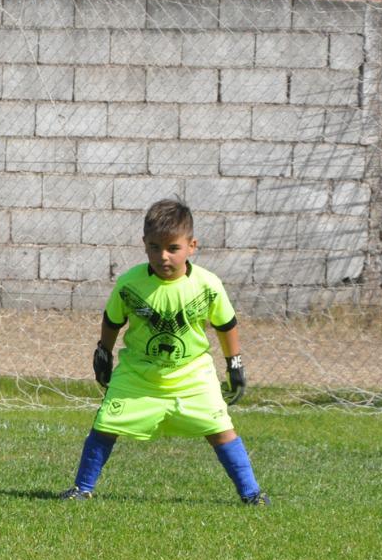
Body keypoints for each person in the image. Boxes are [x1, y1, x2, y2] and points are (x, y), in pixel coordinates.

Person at [60, 198, 268, 505]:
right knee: (105, 425)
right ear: (144, 244)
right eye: (155, 247)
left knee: (220, 429)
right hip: (139, 373)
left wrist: (234, 364)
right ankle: (82, 488)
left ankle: (252, 494)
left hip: (192, 374)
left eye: (173, 248)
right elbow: (112, 320)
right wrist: (102, 353)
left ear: (191, 245)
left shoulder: (208, 285)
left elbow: (226, 325)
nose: (163, 256)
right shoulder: (130, 284)